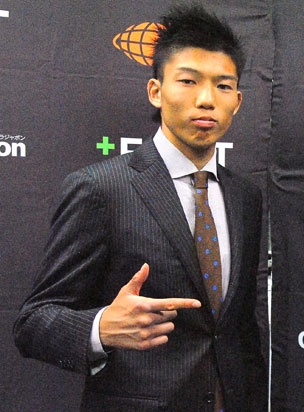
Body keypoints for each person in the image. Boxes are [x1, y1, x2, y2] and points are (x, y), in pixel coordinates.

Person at [13, 4, 267, 411]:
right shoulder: (102, 188)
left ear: (237, 101)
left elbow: (239, 327)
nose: (206, 99)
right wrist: (101, 328)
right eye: (188, 81)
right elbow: (33, 323)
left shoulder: (245, 197)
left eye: (223, 86)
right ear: (156, 91)